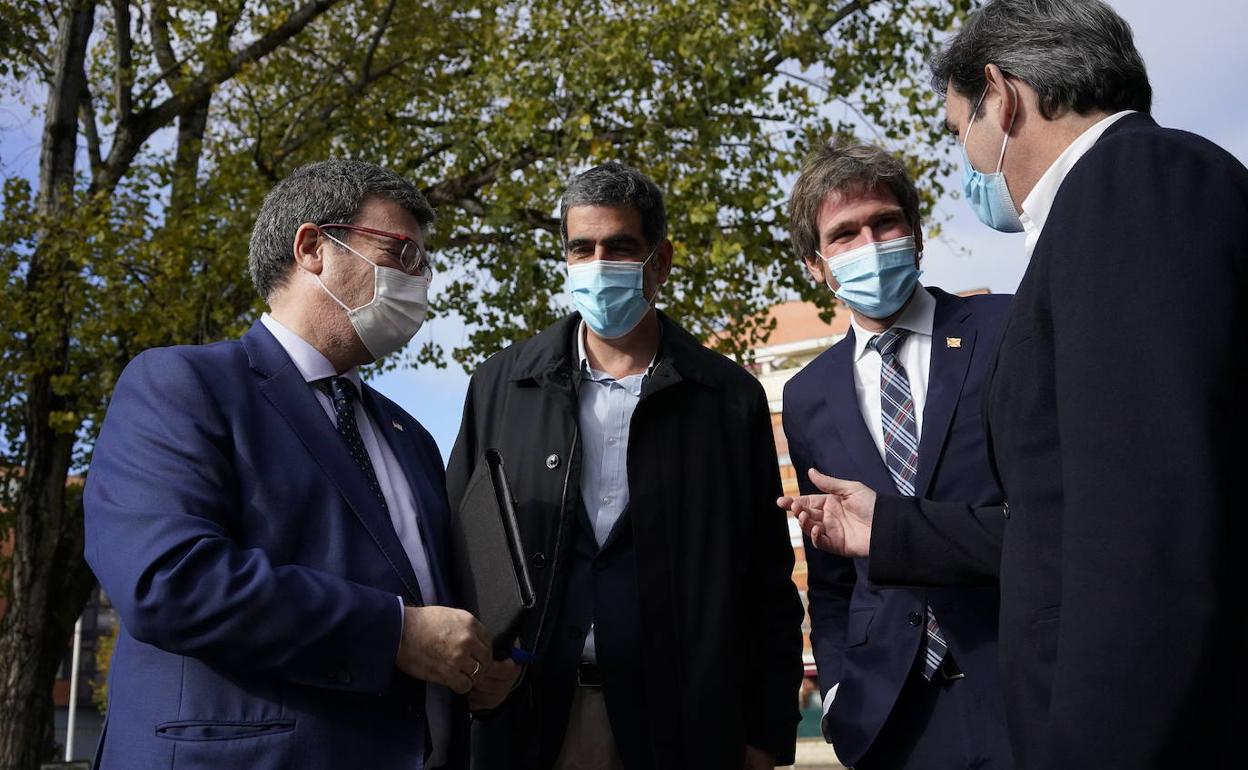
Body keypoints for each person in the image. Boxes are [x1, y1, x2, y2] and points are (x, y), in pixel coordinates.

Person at [782, 1, 1248, 766]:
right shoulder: (1126, 193)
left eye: (959, 127)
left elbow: (1140, 523)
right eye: (844, 235)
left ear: (998, 96)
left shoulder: (1131, 185)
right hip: (902, 720)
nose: (969, 154)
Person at [84, 159, 517, 769]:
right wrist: (394, 633)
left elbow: (432, 608)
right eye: (401, 253)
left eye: (425, 262)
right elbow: (169, 580)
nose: (419, 280)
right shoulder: (182, 384)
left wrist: (474, 671)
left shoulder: (410, 437)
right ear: (313, 246)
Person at [447, 161, 803, 770]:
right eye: (581, 248)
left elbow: (768, 582)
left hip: (684, 727)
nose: (597, 262)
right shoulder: (500, 386)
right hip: (526, 720)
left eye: (619, 246)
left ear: (658, 263)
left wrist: (766, 736)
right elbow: (459, 544)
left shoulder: (728, 399)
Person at [783, 141, 1012, 770]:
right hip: (888, 712)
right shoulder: (806, 395)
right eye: (845, 233)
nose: (870, 243)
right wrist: (834, 688)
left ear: (915, 234)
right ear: (816, 265)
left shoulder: (1004, 330)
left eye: (885, 222)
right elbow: (829, 574)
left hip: (1016, 686)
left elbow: (1052, 515)